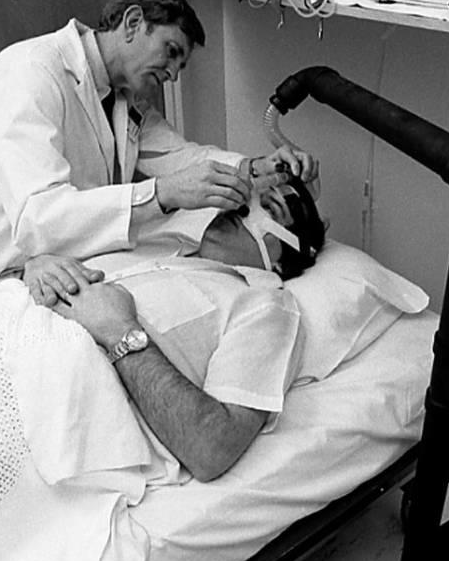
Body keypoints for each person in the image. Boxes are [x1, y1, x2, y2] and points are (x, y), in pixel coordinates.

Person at [0, 0, 318, 292]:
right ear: (134, 23)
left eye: (180, 66)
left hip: (60, 257)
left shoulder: (123, 99)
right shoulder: (27, 74)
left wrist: (256, 168)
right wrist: (161, 194)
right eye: (171, 53)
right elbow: (39, 218)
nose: (172, 74)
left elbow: (181, 157)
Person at [23, 175, 327, 482]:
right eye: (248, 197)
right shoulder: (160, 244)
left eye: (269, 209)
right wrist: (38, 267)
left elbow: (211, 449)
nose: (244, 208)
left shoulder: (265, 307)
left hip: (36, 400)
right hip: (1, 319)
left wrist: (121, 333)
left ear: (282, 262)